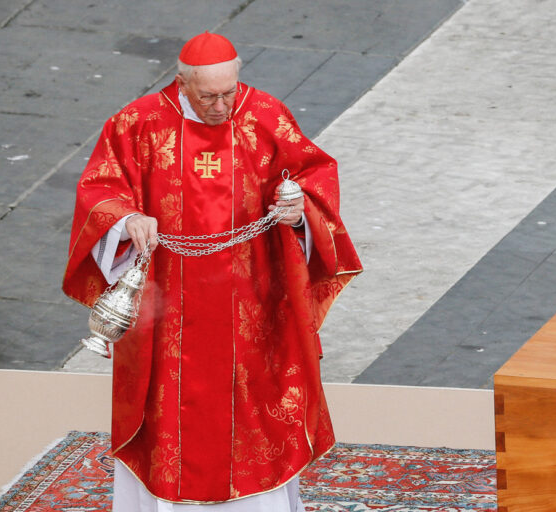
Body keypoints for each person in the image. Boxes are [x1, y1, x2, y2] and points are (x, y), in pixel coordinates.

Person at [63, 32, 362, 510]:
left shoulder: (265, 115)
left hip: (252, 305)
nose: (221, 107)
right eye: (208, 97)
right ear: (181, 83)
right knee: (165, 419)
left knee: (256, 419)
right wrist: (126, 219)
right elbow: (100, 189)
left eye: (228, 93)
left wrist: (298, 211)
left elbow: (313, 176)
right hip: (166, 309)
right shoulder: (138, 123)